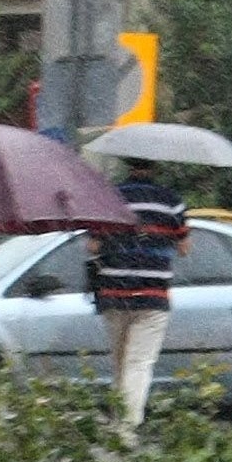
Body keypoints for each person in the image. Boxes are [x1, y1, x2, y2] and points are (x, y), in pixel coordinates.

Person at [93, 168, 189, 429]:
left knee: (121, 364)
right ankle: (126, 430)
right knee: (139, 365)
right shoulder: (171, 201)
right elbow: (183, 249)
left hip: (115, 292)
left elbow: (93, 246)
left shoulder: (110, 196)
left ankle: (118, 423)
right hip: (152, 295)